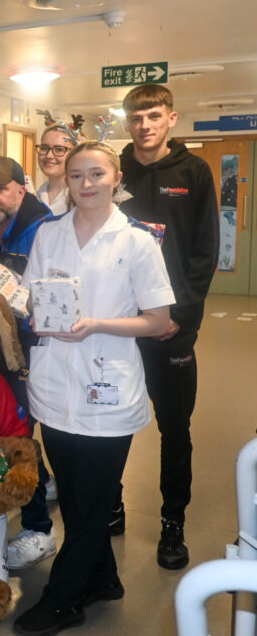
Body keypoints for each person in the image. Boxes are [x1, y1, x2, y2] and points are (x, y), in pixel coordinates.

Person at [13, 142, 173, 636]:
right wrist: (34, 313)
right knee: (76, 499)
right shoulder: (49, 234)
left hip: (107, 388)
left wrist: (97, 325)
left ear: (116, 178)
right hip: (54, 385)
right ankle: (103, 579)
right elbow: (32, 297)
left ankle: (63, 600)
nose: (86, 183)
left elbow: (158, 320)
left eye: (97, 174)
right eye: (77, 174)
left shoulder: (137, 241)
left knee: (92, 501)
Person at [115, 83, 218, 568]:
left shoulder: (193, 171)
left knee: (175, 428)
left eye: (154, 116)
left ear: (171, 118)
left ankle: (172, 524)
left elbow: (204, 248)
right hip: (120, 321)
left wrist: (181, 316)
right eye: (136, 118)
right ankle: (111, 505)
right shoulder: (116, 168)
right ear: (127, 122)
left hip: (172, 327)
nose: (145, 126)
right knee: (111, 417)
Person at [0, 156, 56, 570]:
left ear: (21, 191)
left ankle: (39, 528)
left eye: (0, 188)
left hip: (41, 350)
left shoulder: (46, 231)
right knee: (10, 433)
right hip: (2, 349)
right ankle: (38, 493)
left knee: (21, 437)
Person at [36, 124, 77, 216]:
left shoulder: (81, 198)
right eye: (44, 148)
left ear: (74, 154)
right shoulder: (37, 196)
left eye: (59, 149)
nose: (49, 156)